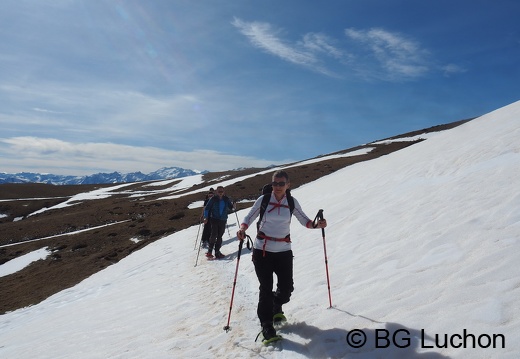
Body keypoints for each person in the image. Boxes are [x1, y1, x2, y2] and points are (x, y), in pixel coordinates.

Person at [237, 170, 327, 342]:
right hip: (262, 250)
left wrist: (318, 225)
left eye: (281, 183)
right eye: (275, 183)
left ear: (288, 185)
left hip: (284, 250)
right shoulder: (263, 200)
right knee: (266, 287)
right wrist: (242, 229)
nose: (277, 187)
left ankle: (276, 306)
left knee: (286, 289)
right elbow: (249, 217)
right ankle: (267, 326)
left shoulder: (291, 202)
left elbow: (305, 221)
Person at [203, 185, 234, 259]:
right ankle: (210, 251)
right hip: (214, 219)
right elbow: (207, 208)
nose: (220, 192)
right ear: (216, 191)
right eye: (219, 191)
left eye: (221, 191)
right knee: (214, 234)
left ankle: (217, 251)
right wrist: (205, 217)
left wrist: (233, 206)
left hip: (223, 220)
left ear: (224, 192)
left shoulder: (226, 199)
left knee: (220, 236)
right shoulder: (213, 199)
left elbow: (230, 207)